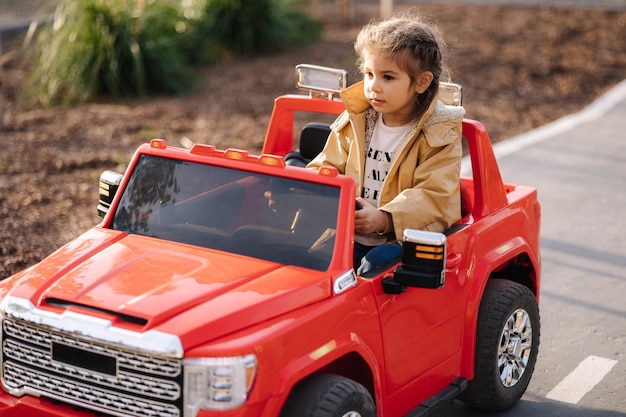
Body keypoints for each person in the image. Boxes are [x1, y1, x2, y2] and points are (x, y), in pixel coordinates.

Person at [307, 9, 465, 275]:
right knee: (306, 266)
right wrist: (304, 189)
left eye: (388, 77)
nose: (373, 86)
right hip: (348, 230)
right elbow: (327, 166)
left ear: (421, 82)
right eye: (369, 74)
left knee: (375, 270)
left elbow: (434, 195)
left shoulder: (439, 132)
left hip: (403, 237)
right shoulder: (356, 120)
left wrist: (385, 218)